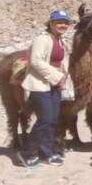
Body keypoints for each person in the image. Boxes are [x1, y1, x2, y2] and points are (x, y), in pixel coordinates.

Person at [20, 9, 71, 167]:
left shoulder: (61, 41)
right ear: (51, 23)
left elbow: (63, 62)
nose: (62, 25)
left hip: (54, 85)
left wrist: (64, 78)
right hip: (39, 84)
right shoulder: (42, 39)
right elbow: (35, 61)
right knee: (45, 119)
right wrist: (57, 77)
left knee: (52, 121)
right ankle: (28, 153)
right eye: (59, 22)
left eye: (65, 23)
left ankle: (47, 152)